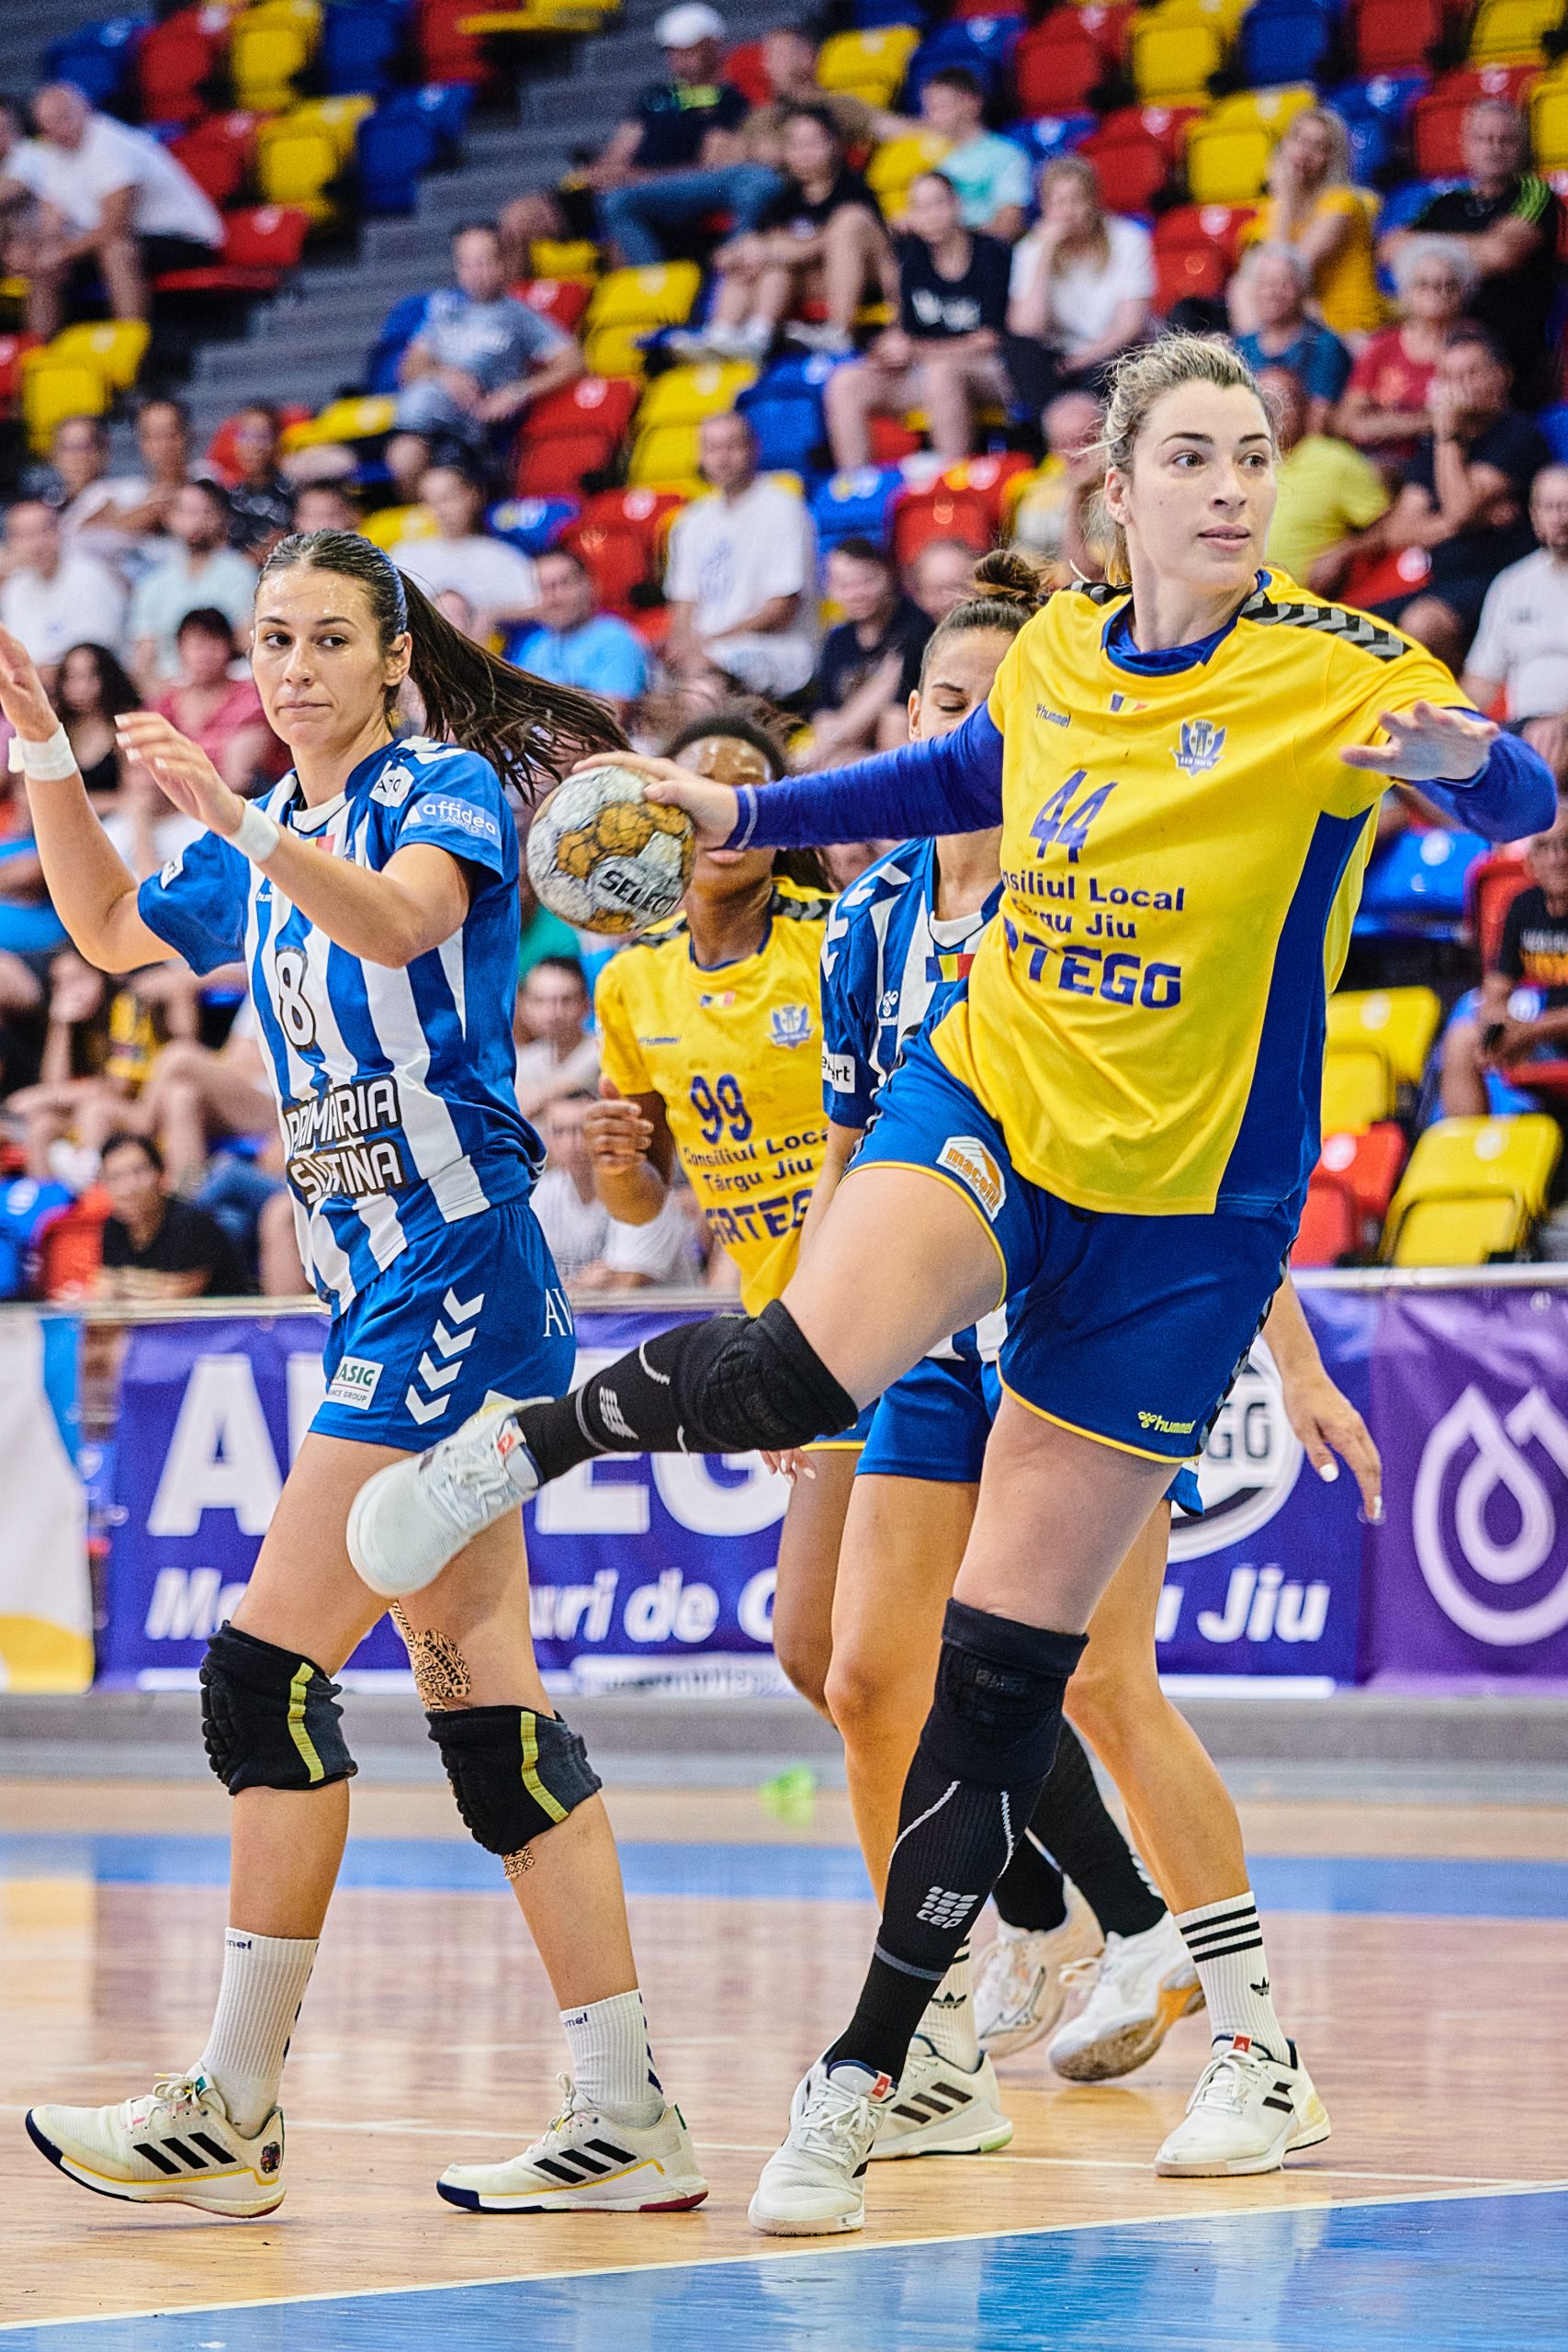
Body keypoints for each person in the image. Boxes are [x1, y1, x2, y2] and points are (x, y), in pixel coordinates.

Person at [349, 334, 1554, 2231]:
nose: (1231, 484)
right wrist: (740, 815)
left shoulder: (1338, 666)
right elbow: (959, 768)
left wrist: (1464, 760)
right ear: (1116, 489)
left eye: (1252, 452)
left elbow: (1510, 802)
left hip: (1186, 1215)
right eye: (1190, 454)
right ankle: (524, 1443)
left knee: (1006, 1681)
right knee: (803, 1373)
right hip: (992, 1099)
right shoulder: (1059, 653)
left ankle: (880, 2076)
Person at [3, 530, 706, 2219]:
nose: (293, 667)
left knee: (262, 1681)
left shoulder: (432, 789)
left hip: (453, 1276)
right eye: (272, 639)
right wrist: (47, 753)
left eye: (328, 637)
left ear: (393, 655)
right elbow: (104, 925)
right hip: (376, 1292)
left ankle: (233, 2107)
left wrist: (244, 825)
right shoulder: (263, 833)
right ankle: (626, 2114)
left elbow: (401, 928)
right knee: (488, 1720)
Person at [796, 553, 1380, 2117]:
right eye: (942, 704)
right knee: (865, 1681)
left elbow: (1189, 1171)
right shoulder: (866, 921)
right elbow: (849, 1159)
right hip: (925, 1346)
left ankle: (1248, 2029)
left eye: (995, 708)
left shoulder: (1116, 898)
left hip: (1080, 1332)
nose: (968, 732)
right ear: (910, 723)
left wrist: (1295, 1359)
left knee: (1102, 1683)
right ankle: (926, 2048)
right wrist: (810, 1348)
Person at [573, 708, 863, 1691]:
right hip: (784, 1327)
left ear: (779, 818)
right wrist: (616, 1163)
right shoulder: (631, 981)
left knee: (835, 1647)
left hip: (879, 1311)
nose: (718, 816)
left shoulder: (838, 941)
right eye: (698, 793)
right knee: (827, 1654)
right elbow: (640, 1205)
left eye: (745, 793)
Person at [499, 4, 750, 276]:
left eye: (688, 50)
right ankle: (508, 301)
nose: (679, 59)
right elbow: (621, 149)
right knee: (518, 217)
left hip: (668, 202)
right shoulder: (656, 96)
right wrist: (601, 171)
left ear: (714, 46)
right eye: (673, 51)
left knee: (620, 230)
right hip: (620, 188)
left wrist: (636, 178)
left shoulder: (732, 102)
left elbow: (710, 175)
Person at [1371, 325, 1551, 667]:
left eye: (1472, 373)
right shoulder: (1432, 448)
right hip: (1442, 583)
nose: (1460, 386)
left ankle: (1464, 693)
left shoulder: (1518, 436)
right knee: (1345, 628)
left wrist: (1446, 433)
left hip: (1501, 581)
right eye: (1450, 377)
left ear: (1503, 376)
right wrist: (1457, 523)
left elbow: (1459, 508)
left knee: (1421, 624)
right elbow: (1398, 532)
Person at [825, 171, 1012, 474]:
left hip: (993, 371)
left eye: (938, 203)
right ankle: (857, 488)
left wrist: (916, 351)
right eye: (921, 208)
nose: (931, 216)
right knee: (845, 382)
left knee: (941, 373)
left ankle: (948, 485)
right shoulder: (911, 256)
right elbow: (905, 332)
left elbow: (989, 340)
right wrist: (887, 350)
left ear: (957, 204)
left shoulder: (991, 253)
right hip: (929, 368)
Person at [674, 105, 891, 362]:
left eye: (812, 143)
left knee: (847, 221)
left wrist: (781, 249)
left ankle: (840, 331)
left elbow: (837, 238)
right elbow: (765, 243)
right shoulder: (783, 199)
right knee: (753, 257)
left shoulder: (855, 189)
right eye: (795, 145)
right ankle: (729, 335)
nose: (804, 153)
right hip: (805, 281)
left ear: (833, 144)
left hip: (862, 283)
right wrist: (742, 252)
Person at [387, 221, 584, 502]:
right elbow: (409, 369)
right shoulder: (444, 311)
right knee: (325, 461)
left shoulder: (518, 315)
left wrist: (517, 392)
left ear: (503, 263)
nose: (475, 273)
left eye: (483, 262)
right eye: (466, 264)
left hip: (471, 435)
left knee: (408, 460)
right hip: (417, 422)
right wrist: (443, 373)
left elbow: (573, 362)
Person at [1384, 100, 1562, 406]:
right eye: (1483, 139)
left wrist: (1429, 250)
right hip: (1440, 345)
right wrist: (1477, 248)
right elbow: (1390, 248)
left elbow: (1502, 253)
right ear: (1466, 145)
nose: (1494, 148)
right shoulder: (1448, 203)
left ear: (1522, 146)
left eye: (1505, 140)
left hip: (1506, 354)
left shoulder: (1534, 193)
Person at [11, 82, 221, 341]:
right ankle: (38, 352)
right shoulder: (53, 154)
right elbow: (51, 221)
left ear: (85, 110)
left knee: (117, 251)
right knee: (41, 263)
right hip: (129, 238)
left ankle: (131, 346)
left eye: (63, 118)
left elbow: (114, 227)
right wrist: (41, 252)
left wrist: (61, 252)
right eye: (48, 124)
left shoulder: (111, 144)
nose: (57, 129)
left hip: (186, 239)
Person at [663, 411, 818, 695]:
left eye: (731, 447)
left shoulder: (783, 509)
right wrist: (683, 647)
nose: (722, 458)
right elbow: (683, 601)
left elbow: (781, 611)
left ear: (753, 448)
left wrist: (708, 643)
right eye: (712, 449)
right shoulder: (691, 521)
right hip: (708, 649)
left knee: (703, 685)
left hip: (778, 648)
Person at [1440, 806, 1568, 1116]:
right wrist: (1498, 1028)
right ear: (1530, 863)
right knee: (1462, 1040)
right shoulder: (1523, 907)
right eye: (1545, 847)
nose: (1558, 858)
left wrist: (1529, 1031)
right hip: (1547, 1037)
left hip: (1545, 1031)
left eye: (1566, 844)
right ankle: (1473, 1146)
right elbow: (1496, 987)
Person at [1006, 156, 1154, 414]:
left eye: (1076, 200)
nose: (1067, 211)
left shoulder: (1129, 239)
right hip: (1058, 358)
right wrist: (1044, 253)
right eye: (1058, 202)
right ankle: (1048, 425)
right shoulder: (1031, 248)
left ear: (1094, 201)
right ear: (1044, 207)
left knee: (1114, 365)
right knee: (1020, 352)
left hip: (1109, 353)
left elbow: (1130, 325)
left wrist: (1082, 360)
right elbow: (1025, 328)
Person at [1235, 106, 1382, 342]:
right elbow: (1259, 275)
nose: (1303, 151)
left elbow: (1286, 272)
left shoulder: (1343, 203)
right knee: (1242, 287)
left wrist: (1284, 195)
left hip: (1346, 328)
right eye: (1298, 139)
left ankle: (1262, 353)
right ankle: (1259, 354)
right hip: (1303, 321)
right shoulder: (1272, 209)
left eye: (1317, 146)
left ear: (1331, 159)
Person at [1461, 467, 1568, 786]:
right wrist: (1450, 724)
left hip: (1559, 726)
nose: (1560, 518)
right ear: (1534, 515)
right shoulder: (1513, 583)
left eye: (1567, 506)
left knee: (1544, 753)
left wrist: (1563, 722)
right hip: (1522, 730)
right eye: (1550, 507)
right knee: (1419, 775)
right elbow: (1481, 681)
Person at [531, 1088, 699, 1287]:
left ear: (607, 1131)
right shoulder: (542, 1192)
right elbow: (520, 1279)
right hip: (575, 1307)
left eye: (583, 1130)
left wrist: (560, 1288)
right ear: (547, 1139)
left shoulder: (642, 1189)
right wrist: (581, 1285)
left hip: (655, 1308)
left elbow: (622, 1288)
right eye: (560, 1132)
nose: (571, 1143)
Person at [1337, 238, 1475, 470]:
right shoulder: (1383, 345)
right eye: (1424, 284)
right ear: (1406, 291)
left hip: (1440, 462)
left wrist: (1386, 424)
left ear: (1462, 293)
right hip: (1373, 462)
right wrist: (1427, 420)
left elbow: (1470, 419)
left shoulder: (1472, 346)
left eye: (1449, 285)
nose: (1437, 292)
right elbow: (1348, 423)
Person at [1259, 366, 1389, 594]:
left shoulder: (1334, 460)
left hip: (1302, 603)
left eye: (1283, 400)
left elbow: (1390, 526)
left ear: (1306, 408)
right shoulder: (1238, 463)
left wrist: (1345, 551)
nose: (1273, 411)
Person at [803, 537, 931, 768]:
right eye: (844, 585)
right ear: (829, 588)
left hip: (897, 754)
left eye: (867, 581)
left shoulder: (916, 627)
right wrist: (834, 739)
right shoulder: (837, 641)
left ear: (888, 575)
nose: (857, 594)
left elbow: (894, 714)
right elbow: (824, 716)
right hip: (847, 753)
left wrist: (830, 742)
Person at [126, 481, 257, 689]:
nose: (196, 521)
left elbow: (248, 645)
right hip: (169, 687)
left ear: (220, 517)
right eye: (186, 511)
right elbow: (143, 661)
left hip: (226, 685)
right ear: (169, 517)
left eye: (205, 512)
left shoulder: (242, 574)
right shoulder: (152, 583)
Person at [391, 465, 541, 642]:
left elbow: (539, 602)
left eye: (448, 498)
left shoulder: (500, 555)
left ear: (472, 496)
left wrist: (493, 615)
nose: (441, 510)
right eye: (431, 502)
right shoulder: (406, 554)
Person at [96, 1128, 244, 1300]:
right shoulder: (114, 1225)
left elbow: (170, 1304)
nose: (129, 1188)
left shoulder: (191, 1225)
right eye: (115, 1177)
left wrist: (122, 1291)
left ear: (161, 1174)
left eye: (138, 1172)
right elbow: (103, 1295)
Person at [152, 607, 280, 797]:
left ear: (230, 647)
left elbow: (238, 778)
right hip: (174, 801)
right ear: (180, 648)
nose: (205, 655)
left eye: (214, 645)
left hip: (240, 799)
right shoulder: (164, 705)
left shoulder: (252, 698)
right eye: (197, 646)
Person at [510, 548, 649, 716]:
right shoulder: (535, 646)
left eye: (564, 583)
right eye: (543, 588)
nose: (554, 597)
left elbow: (609, 717)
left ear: (589, 586)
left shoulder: (616, 639)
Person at [1229, 244, 1351, 433]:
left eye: (1284, 284)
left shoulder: (1324, 345)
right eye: (1265, 284)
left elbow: (1319, 422)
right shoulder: (1242, 347)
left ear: (1303, 289)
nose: (1273, 293)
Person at [0, 502, 125, 680]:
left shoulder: (90, 577)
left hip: (86, 684)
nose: (36, 545)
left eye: (44, 531)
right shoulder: (14, 588)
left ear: (60, 531)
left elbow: (95, 655)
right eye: (24, 536)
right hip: (33, 686)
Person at [917, 67, 1029, 244]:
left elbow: (1008, 226)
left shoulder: (1007, 155)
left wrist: (955, 239)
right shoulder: (933, 158)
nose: (932, 117)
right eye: (929, 109)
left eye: (941, 107)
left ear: (972, 103)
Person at [1009, 388, 1111, 584]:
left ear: (1106, 437)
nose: (1076, 453)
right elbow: (1022, 578)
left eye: (1087, 440)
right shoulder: (1037, 498)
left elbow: (1090, 578)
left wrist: (1076, 495)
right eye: (1066, 444)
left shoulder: (1121, 493)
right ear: (1052, 449)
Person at [513, 954, 600, 1117]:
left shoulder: (604, 1054)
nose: (552, 1013)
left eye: (566, 1000)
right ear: (524, 1005)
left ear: (587, 1004)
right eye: (540, 1000)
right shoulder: (523, 1060)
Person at [52, 640, 140, 800]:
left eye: (90, 676)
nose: (80, 687)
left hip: (118, 815)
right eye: (72, 677)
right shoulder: (54, 729)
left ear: (107, 677)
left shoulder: (125, 726)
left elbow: (135, 795)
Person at [221, 405, 296, 558]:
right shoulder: (226, 498)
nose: (253, 446)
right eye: (245, 435)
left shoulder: (294, 495)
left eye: (262, 436)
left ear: (276, 441)